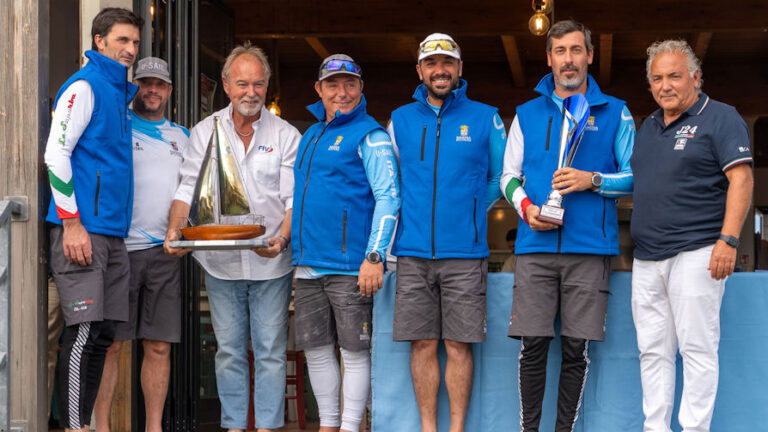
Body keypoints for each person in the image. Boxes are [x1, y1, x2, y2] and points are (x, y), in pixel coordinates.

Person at [500, 20, 635, 431]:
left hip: (590, 249)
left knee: (576, 350)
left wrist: (592, 180)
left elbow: (635, 177)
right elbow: (508, 177)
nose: (568, 60)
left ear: (589, 55)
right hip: (535, 248)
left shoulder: (616, 111)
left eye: (576, 50)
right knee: (533, 347)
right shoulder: (526, 113)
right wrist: (526, 210)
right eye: (560, 51)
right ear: (549, 59)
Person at [164, 42, 300, 432]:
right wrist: (175, 230)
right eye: (242, 84)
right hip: (220, 263)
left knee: (272, 352)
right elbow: (185, 190)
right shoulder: (204, 132)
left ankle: (270, 427)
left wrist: (283, 238)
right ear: (226, 85)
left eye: (258, 84)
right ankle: (234, 426)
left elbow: (292, 199)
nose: (251, 93)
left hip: (271, 261)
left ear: (267, 86)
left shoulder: (287, 134)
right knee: (228, 353)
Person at [631, 40, 753, 432]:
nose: (665, 85)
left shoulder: (721, 117)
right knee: (652, 352)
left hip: (698, 252)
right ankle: (656, 428)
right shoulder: (648, 126)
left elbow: (742, 179)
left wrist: (728, 241)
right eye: (657, 78)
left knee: (698, 350)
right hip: (647, 258)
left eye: (674, 76)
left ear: (696, 78)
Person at [388, 33, 506, 432]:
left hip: (466, 253)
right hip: (412, 251)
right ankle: (428, 428)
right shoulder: (399, 119)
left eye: (448, 63)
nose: (440, 70)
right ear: (420, 70)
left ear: (460, 69)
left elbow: (500, 176)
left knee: (458, 345)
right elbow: (392, 184)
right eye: (432, 63)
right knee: (422, 345)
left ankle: (456, 428)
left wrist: (473, 209)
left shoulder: (485, 117)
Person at [43, 7, 143, 432]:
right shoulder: (85, 86)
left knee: (102, 336)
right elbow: (55, 154)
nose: (130, 49)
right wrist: (71, 223)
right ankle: (74, 427)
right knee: (83, 334)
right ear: (99, 41)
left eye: (135, 43)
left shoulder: (120, 93)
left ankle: (80, 424)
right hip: (82, 232)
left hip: (112, 235)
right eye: (122, 40)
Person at [291, 54, 400, 432]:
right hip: (306, 265)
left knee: (354, 351)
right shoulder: (310, 135)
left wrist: (375, 256)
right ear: (319, 90)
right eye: (333, 85)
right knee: (317, 350)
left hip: (351, 266)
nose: (343, 92)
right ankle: (329, 424)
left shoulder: (371, 134)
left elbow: (389, 196)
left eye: (350, 84)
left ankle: (350, 426)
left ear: (361, 88)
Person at [92, 57, 189, 432]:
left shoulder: (184, 136)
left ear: (169, 90)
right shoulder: (117, 127)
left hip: (166, 253)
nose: (152, 90)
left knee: (159, 346)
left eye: (160, 85)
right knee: (111, 345)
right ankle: (102, 427)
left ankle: (153, 427)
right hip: (119, 250)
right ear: (135, 87)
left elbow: (195, 192)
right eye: (145, 83)